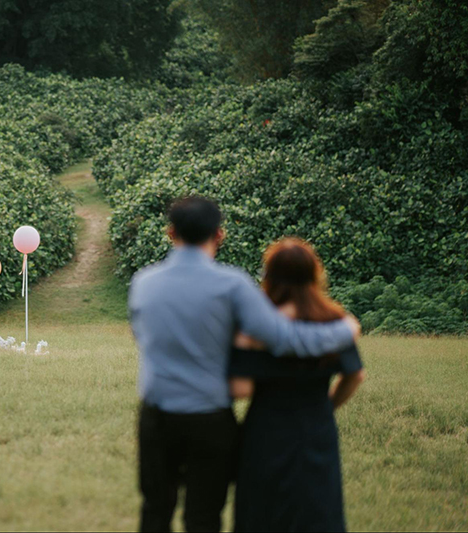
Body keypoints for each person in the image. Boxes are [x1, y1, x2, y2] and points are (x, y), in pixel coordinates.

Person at [128, 196, 361, 533]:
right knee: (203, 517)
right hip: (209, 419)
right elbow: (285, 338)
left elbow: (141, 336)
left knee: (154, 510)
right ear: (219, 235)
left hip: (156, 415)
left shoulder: (143, 283)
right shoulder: (232, 284)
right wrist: (343, 330)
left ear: (170, 232)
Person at [229, 237, 366, 532]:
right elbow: (355, 375)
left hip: (265, 427)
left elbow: (241, 389)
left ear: (268, 276)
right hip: (316, 426)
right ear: (314, 274)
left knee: (261, 512)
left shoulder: (258, 328)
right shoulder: (333, 321)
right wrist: (327, 405)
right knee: (317, 510)